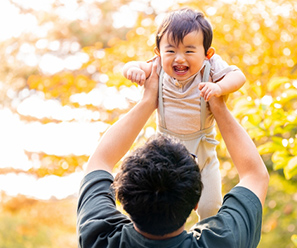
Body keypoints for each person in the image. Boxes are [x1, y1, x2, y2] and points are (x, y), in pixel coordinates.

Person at [76, 53, 269, 247]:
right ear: (196, 203)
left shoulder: (100, 239)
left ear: (122, 196)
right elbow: (255, 175)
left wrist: (147, 101)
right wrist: (219, 108)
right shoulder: (223, 242)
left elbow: (100, 160)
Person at [122, 7, 246, 219]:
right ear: (159, 53)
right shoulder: (158, 66)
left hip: (202, 148)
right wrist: (132, 70)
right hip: (165, 149)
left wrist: (219, 87)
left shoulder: (210, 67)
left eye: (189, 51)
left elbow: (239, 76)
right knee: (160, 205)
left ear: (207, 54)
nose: (179, 58)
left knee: (211, 207)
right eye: (171, 51)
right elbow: (132, 65)